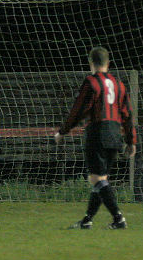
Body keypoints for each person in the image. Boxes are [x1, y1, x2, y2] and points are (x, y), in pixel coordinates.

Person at [55, 46, 136, 230]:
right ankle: (87, 220)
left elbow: (78, 110)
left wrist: (63, 131)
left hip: (98, 131)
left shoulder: (91, 82)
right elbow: (128, 114)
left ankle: (119, 218)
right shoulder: (119, 84)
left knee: (96, 179)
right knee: (101, 178)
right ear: (108, 63)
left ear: (91, 63)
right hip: (115, 133)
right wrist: (131, 140)